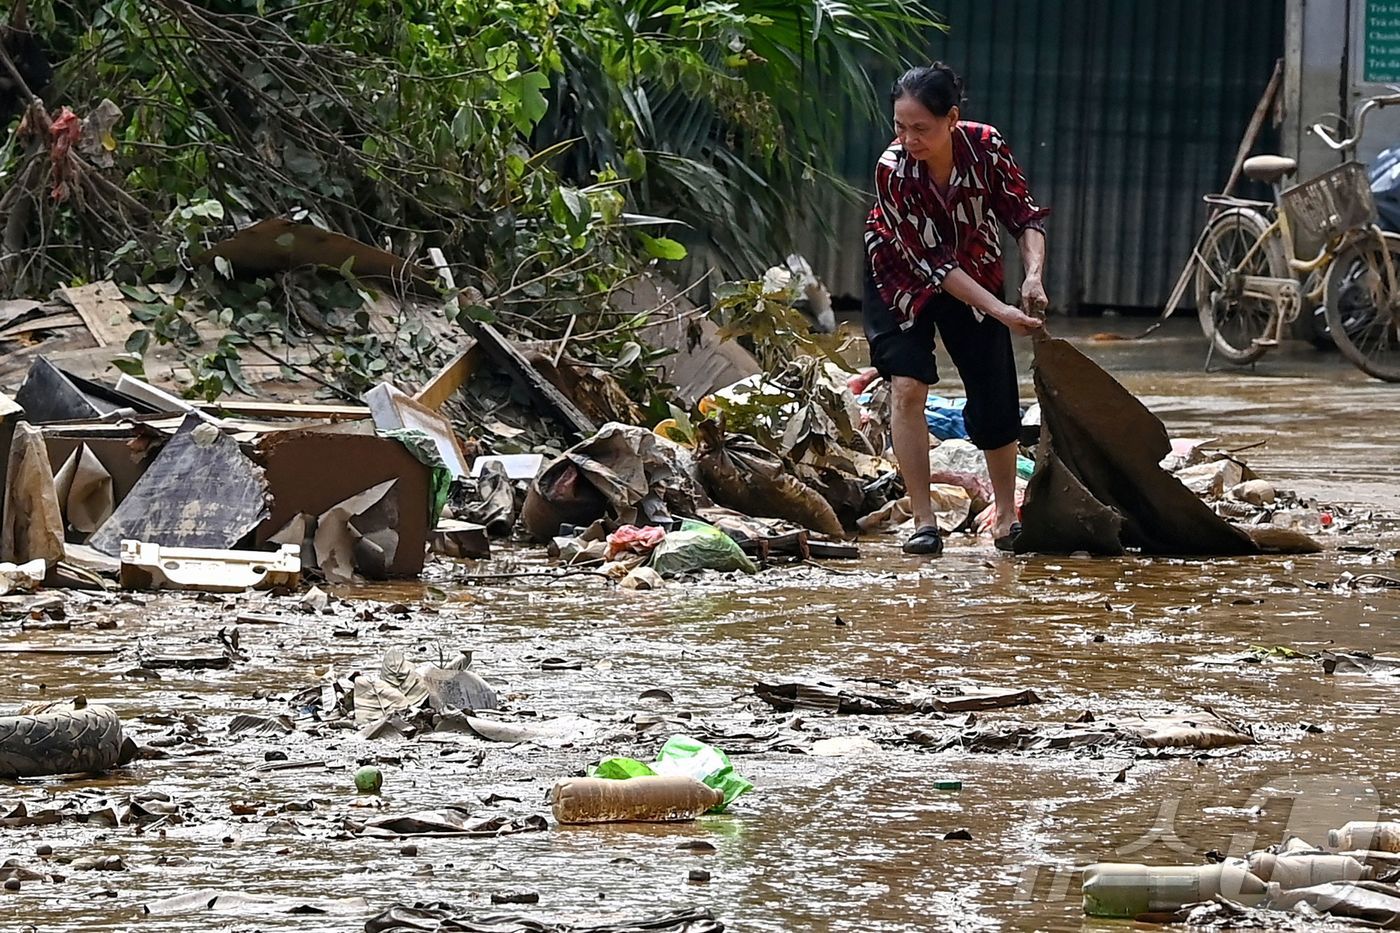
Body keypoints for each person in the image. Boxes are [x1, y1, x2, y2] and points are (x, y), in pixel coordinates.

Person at [863, 62, 1049, 556]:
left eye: (920, 128)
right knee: (907, 385)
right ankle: (924, 522)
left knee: (994, 393)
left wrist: (1033, 275)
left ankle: (1007, 517)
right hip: (899, 273)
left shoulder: (986, 146)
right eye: (900, 127)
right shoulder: (892, 169)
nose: (909, 139)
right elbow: (934, 265)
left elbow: (1023, 214)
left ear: (952, 119)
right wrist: (1003, 312)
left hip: (977, 264)